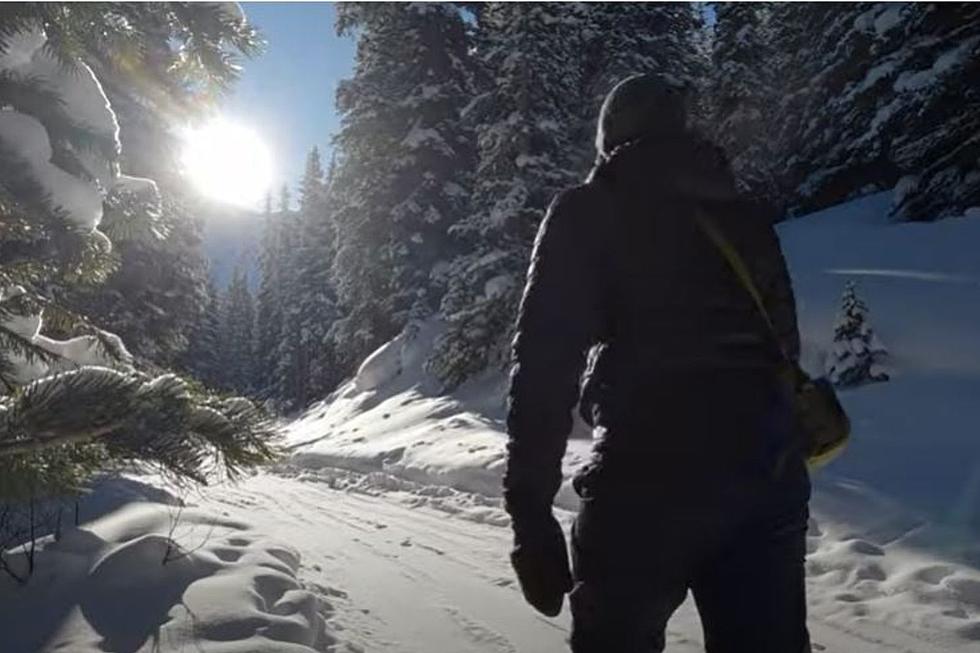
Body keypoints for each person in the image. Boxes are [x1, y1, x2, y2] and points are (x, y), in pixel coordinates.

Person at [504, 74, 811, 653]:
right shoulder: (745, 218)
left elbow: (545, 364)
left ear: (610, 137)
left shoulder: (588, 210)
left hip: (645, 482)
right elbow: (782, 349)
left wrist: (530, 514)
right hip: (766, 477)